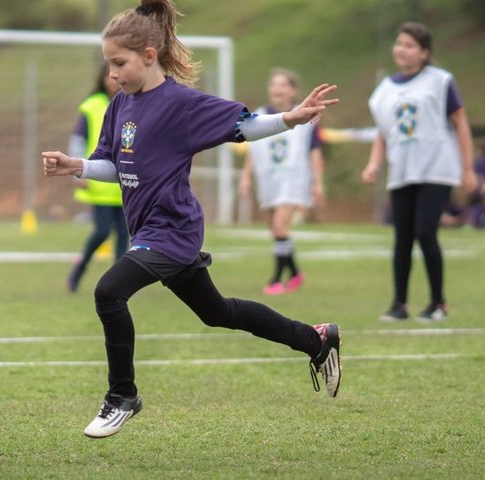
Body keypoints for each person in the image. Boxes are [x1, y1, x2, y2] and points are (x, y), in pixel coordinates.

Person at [42, 0, 341, 439]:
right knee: (217, 312)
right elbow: (112, 165)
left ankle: (122, 395)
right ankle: (316, 340)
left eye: (119, 63)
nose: (112, 73)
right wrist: (77, 165)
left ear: (148, 55)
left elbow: (245, 126)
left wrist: (290, 120)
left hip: (173, 230)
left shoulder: (181, 104)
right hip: (148, 231)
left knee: (109, 291)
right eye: (108, 64)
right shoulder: (119, 105)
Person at [362, 22, 477, 323]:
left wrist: (467, 168)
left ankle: (438, 303)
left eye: (410, 45)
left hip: (437, 168)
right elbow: (383, 133)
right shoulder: (384, 90)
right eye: (399, 43)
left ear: (424, 52)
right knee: (402, 237)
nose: (401, 49)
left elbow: (460, 122)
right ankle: (399, 304)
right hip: (402, 170)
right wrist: (374, 164)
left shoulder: (440, 81)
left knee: (426, 232)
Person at [239, 68, 325, 295]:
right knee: (276, 230)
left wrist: (318, 183)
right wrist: (246, 177)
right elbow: (253, 149)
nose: (277, 89)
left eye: (282, 84)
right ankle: (296, 273)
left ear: (293, 90)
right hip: (268, 180)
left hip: (293, 180)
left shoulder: (305, 116)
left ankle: (276, 279)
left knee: (279, 226)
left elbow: (314, 152)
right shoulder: (260, 115)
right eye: (273, 84)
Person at [66, 64, 129, 293]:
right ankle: (78, 269)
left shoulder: (134, 103)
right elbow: (78, 141)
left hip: (125, 186)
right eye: (108, 75)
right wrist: (77, 168)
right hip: (98, 184)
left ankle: (118, 286)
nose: (113, 79)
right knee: (102, 232)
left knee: (123, 238)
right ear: (102, 78)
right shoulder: (92, 106)